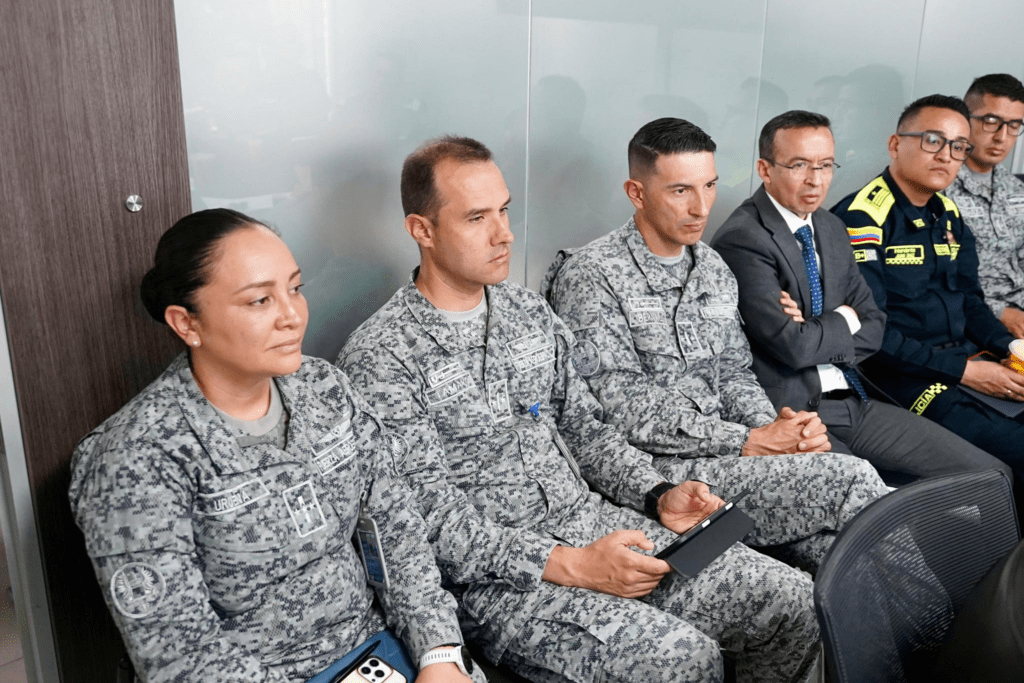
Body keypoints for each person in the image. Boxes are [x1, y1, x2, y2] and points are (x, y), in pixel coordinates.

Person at [339, 136, 820, 683]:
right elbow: (429, 520)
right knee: (685, 662)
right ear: (422, 230)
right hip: (505, 583)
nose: (503, 234)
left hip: (596, 525)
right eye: (476, 218)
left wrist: (656, 493)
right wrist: (574, 565)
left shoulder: (526, 311)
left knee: (791, 601)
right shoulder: (382, 356)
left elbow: (585, 429)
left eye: (504, 211)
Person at [68, 209, 477, 683]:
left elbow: (395, 528)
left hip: (376, 646)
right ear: (186, 323)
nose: (292, 316)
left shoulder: (324, 387)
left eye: (295, 289)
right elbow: (181, 655)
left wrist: (438, 653)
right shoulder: (136, 458)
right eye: (260, 300)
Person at [543, 117, 890, 574]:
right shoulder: (592, 275)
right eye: (680, 191)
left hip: (732, 458)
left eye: (709, 186)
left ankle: (939, 610)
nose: (702, 207)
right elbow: (620, 408)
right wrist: (747, 440)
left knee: (836, 558)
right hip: (664, 472)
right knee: (852, 478)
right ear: (637, 193)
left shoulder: (711, 267)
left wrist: (778, 432)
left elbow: (733, 374)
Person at [712, 110, 1007, 481]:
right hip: (792, 411)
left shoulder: (830, 226)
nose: (815, 180)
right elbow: (795, 347)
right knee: (868, 495)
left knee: (990, 475)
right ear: (765, 169)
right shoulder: (743, 237)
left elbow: (874, 326)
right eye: (799, 165)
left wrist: (823, 325)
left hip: (853, 398)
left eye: (825, 165)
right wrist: (845, 317)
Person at [832, 94, 1024, 480]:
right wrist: (964, 372)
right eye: (932, 140)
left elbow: (970, 301)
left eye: (958, 146)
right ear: (895, 144)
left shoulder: (948, 215)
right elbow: (871, 337)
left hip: (964, 362)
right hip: (897, 376)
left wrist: (1010, 348)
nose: (945, 156)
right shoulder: (863, 218)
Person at [946, 74, 1024, 338]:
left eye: (1014, 125)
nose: (1002, 137)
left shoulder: (1016, 189)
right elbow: (935, 277)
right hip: (972, 321)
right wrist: (1001, 312)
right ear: (965, 120)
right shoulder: (939, 187)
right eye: (991, 122)